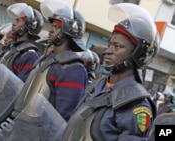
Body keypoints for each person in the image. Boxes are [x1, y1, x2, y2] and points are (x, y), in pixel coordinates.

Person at [60, 3, 159, 141]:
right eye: (109, 45)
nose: (108, 51)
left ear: (138, 54)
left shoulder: (136, 103)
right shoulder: (97, 85)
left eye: (117, 46)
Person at [12, 0, 88, 122]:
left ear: (69, 30)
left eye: (57, 27)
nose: (51, 30)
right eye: (52, 26)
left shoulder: (73, 69)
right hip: (20, 124)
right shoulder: (45, 59)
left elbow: (62, 117)